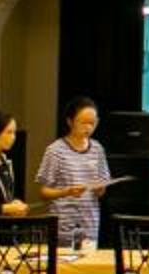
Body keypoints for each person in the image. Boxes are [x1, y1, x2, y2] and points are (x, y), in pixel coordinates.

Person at [35, 96, 114, 249]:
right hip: (62, 227)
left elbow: (101, 191)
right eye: (83, 122)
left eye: (92, 123)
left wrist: (100, 188)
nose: (88, 128)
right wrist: (66, 192)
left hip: (89, 226)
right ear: (70, 122)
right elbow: (43, 192)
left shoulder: (97, 149)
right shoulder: (55, 150)